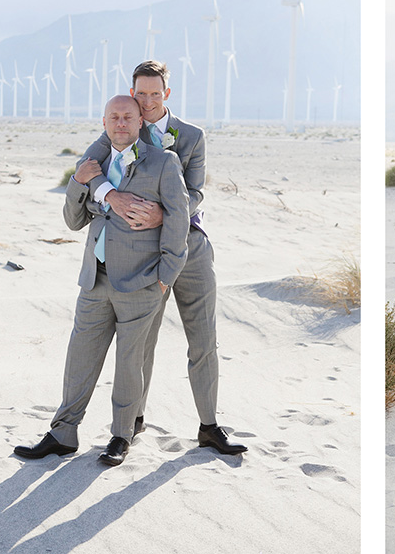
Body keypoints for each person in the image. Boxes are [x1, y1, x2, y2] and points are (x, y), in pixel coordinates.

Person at [78, 60, 246, 455]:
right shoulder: (123, 127)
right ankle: (132, 422)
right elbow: (86, 168)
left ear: (166, 93)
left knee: (203, 339)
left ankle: (209, 426)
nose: (148, 101)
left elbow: (196, 191)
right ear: (132, 93)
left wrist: (167, 214)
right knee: (142, 342)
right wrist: (109, 193)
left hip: (190, 245)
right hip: (140, 253)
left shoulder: (191, 136)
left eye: (155, 93)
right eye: (141, 93)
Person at [14, 95, 189, 466]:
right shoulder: (95, 163)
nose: (120, 123)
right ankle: (63, 434)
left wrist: (165, 277)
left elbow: (179, 220)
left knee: (129, 362)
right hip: (94, 278)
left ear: (140, 122)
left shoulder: (164, 162)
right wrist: (78, 182)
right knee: (80, 358)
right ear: (104, 122)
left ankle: (121, 436)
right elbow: (73, 221)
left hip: (142, 282)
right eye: (114, 117)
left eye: (127, 117)